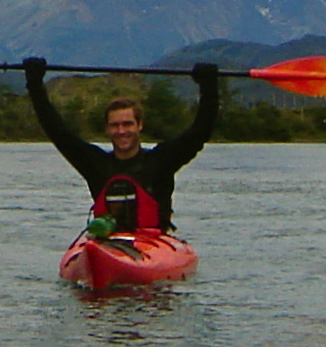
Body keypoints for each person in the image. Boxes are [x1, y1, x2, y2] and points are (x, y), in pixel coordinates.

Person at [23, 60, 221, 236]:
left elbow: (200, 133)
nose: (121, 131)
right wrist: (34, 83)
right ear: (107, 129)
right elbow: (57, 132)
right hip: (108, 241)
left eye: (127, 124)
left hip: (153, 243)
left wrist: (209, 87)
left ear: (139, 125)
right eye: (115, 125)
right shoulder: (95, 164)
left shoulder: (161, 160)